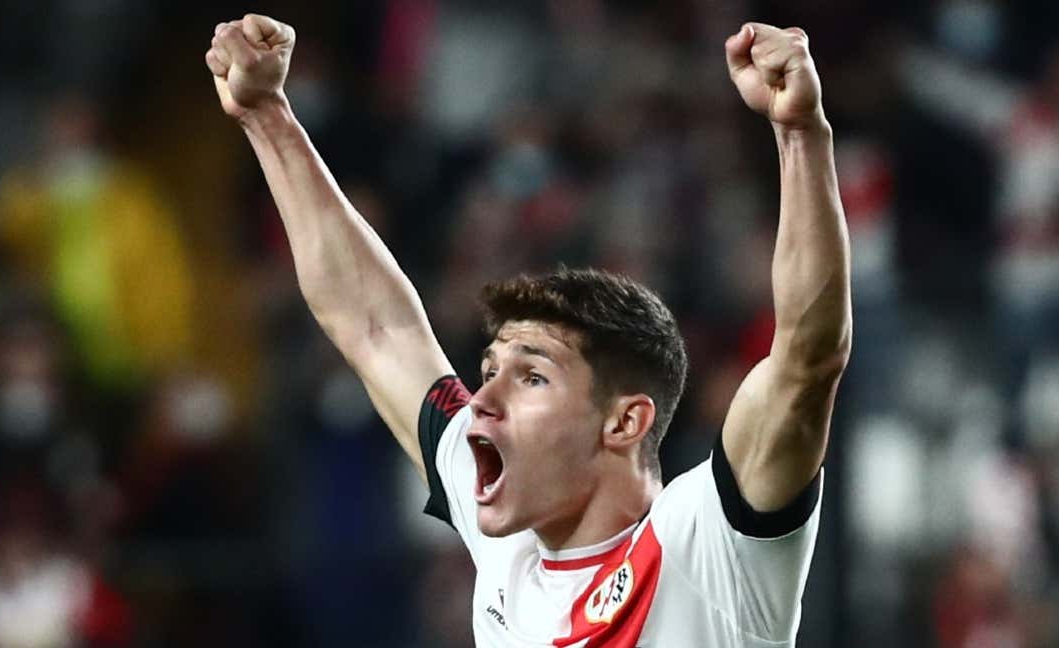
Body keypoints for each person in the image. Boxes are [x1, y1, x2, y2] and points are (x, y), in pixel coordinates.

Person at [205, 13, 850, 647]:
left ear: (624, 422)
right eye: (490, 372)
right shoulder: (507, 544)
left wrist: (799, 132)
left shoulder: (707, 546)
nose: (483, 400)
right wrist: (267, 116)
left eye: (532, 376)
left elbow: (807, 358)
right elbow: (373, 327)